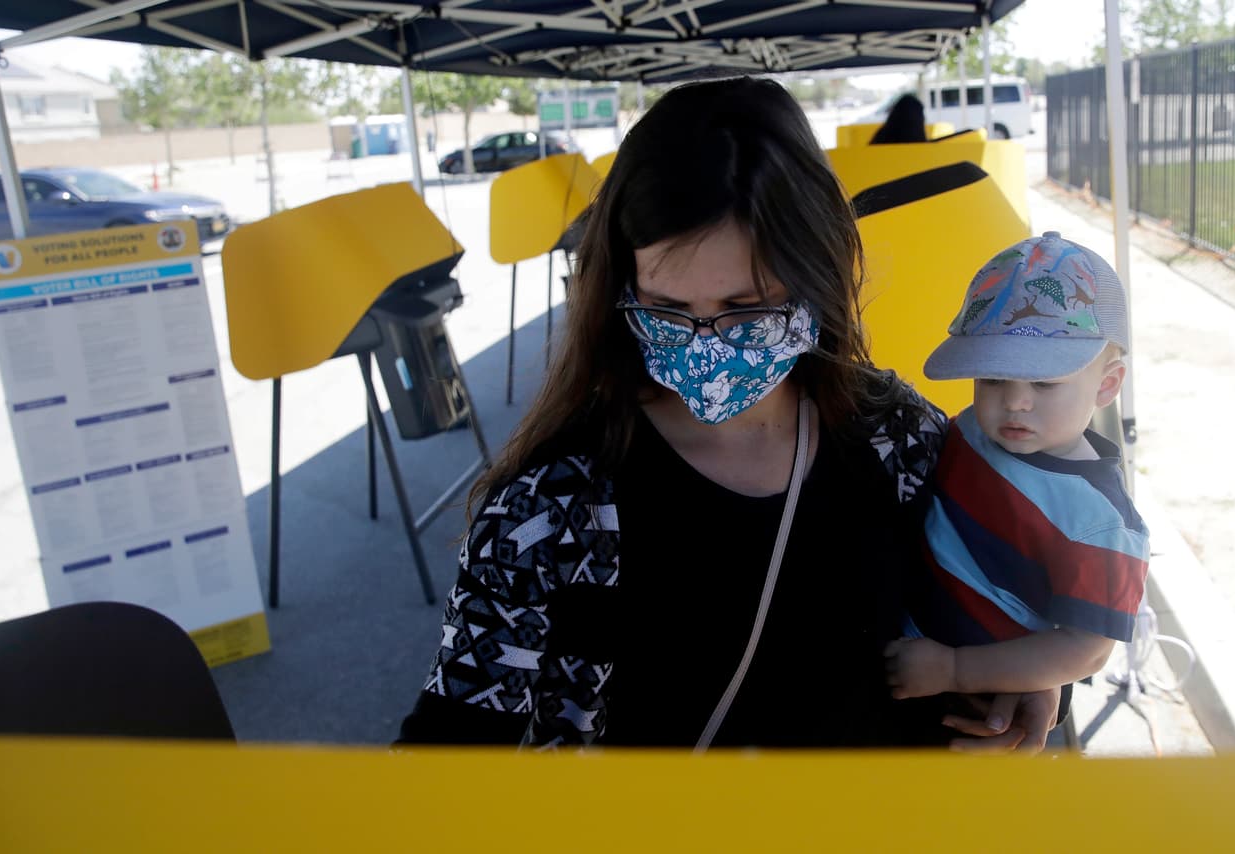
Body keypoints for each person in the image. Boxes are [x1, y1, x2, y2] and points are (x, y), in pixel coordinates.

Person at [397, 77, 1061, 750]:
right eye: (668, 311)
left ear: (817, 279)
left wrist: (1031, 678)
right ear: (620, 289)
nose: (706, 346)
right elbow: (451, 747)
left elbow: (1003, 588)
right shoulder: (550, 506)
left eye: (747, 310)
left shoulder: (897, 439)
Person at [884, 232, 1150, 701]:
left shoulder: (1101, 526)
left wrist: (956, 670)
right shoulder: (971, 430)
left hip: (974, 696)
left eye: (1044, 384)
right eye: (991, 377)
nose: (1014, 402)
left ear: (1107, 386)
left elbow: (1086, 650)